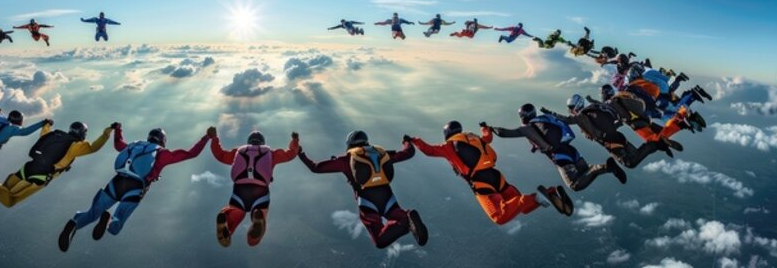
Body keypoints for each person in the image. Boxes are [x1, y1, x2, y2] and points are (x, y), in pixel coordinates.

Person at [57, 124, 212, 252]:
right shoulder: (162, 154)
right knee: (115, 227)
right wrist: (206, 137)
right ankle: (109, 219)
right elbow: (191, 153)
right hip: (135, 188)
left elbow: (118, 143)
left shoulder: (134, 146)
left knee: (92, 213)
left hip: (116, 181)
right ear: (163, 141)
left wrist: (118, 129)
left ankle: (74, 223)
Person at [408, 121, 574, 222]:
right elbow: (488, 137)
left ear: (447, 134)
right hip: (496, 176)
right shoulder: (475, 138)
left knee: (499, 216)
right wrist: (484, 128)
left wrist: (413, 140)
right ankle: (548, 194)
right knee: (519, 207)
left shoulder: (449, 146)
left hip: (481, 182)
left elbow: (429, 150)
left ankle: (537, 198)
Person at [298, 130, 428, 249]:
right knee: (396, 215)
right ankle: (406, 217)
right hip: (387, 195)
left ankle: (405, 222)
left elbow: (315, 167)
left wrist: (300, 153)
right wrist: (406, 142)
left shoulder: (346, 159)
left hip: (366, 201)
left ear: (349, 144)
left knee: (380, 240)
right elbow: (408, 153)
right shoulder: (381, 153)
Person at [0, 121, 115, 206]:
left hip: (27, 168)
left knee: (4, 189)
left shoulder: (54, 135)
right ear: (82, 134)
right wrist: (107, 132)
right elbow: (94, 147)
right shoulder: (76, 146)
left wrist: (47, 123)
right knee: (10, 200)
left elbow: (44, 130)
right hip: (39, 177)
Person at [486, 104, 627, 191]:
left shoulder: (527, 128)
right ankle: (606, 167)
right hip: (571, 149)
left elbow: (505, 133)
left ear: (523, 116)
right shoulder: (544, 119)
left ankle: (608, 167)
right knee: (586, 169)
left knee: (575, 185)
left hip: (559, 156)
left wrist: (491, 128)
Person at [210, 131, 300, 247]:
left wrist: (214, 139)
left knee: (237, 212)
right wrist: (295, 141)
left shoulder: (238, 152)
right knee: (254, 236)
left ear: (249, 142)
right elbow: (290, 154)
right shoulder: (270, 153)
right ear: (263, 142)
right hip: (260, 192)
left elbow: (220, 155)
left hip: (239, 191)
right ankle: (257, 220)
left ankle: (226, 216)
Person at [540, 95, 676, 169]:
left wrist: (549, 113)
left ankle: (655, 144)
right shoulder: (597, 107)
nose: (570, 110)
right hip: (618, 136)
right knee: (635, 156)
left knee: (630, 163)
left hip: (611, 142)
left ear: (576, 105)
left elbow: (565, 120)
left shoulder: (580, 117)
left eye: (571, 107)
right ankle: (658, 143)